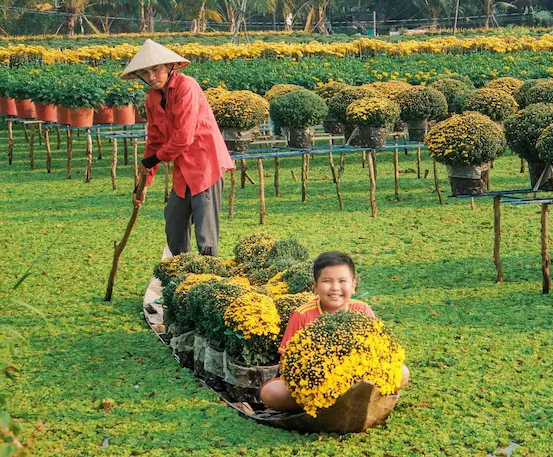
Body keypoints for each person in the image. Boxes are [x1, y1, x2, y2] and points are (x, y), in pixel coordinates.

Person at [122, 39, 234, 257]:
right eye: (145, 73)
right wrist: (144, 183)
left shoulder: (186, 87)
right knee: (174, 222)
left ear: (169, 66)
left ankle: (207, 278)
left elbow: (183, 137)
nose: (152, 77)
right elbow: (154, 139)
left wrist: (154, 160)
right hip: (183, 169)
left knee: (205, 235)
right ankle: (183, 272)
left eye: (156, 69)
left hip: (205, 164)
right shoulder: (152, 98)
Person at [260, 252, 410, 411]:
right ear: (315, 287)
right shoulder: (302, 315)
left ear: (353, 286)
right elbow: (286, 362)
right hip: (314, 384)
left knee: (402, 372)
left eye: (342, 281)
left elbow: (381, 350)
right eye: (327, 281)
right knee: (271, 392)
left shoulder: (362, 309)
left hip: (358, 378)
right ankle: (326, 405)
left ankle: (338, 405)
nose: (335, 288)